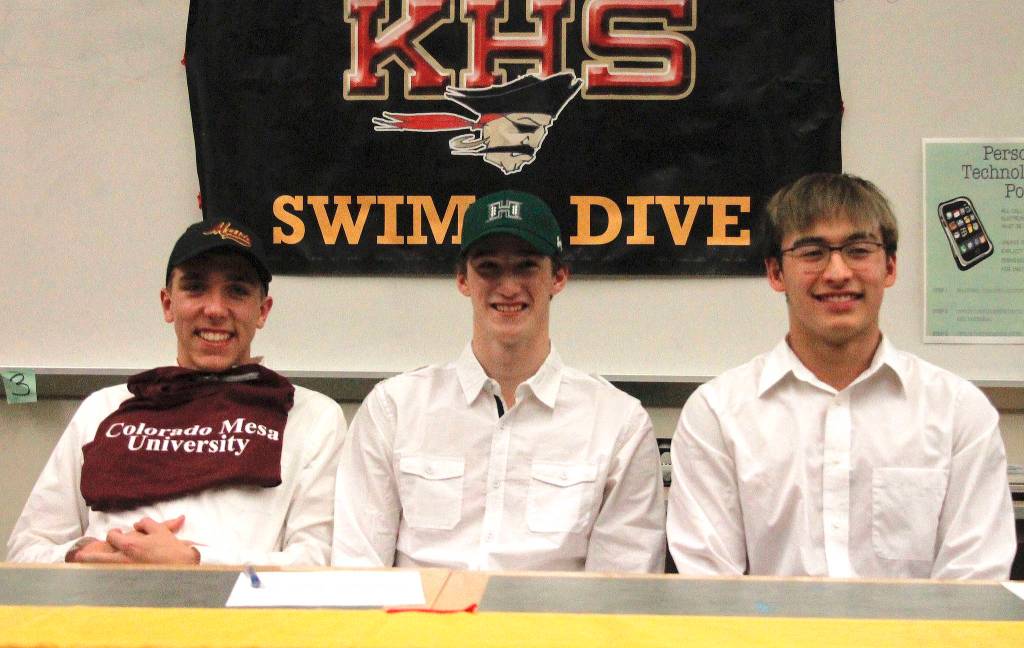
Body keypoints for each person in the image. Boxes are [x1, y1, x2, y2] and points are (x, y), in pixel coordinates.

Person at [667, 173, 1016, 579]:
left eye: (857, 249)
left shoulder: (958, 412)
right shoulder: (717, 414)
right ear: (776, 273)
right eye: (812, 252)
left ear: (889, 267)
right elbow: (709, 592)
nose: (837, 272)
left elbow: (973, 588)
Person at [332, 190, 665, 572]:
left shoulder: (617, 423)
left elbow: (618, 596)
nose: (508, 287)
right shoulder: (393, 409)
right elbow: (357, 572)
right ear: (462, 280)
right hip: (417, 629)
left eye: (526, 266)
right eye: (489, 267)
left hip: (554, 632)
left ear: (558, 277)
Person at [7, 219, 346, 565]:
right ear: (168, 304)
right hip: (104, 610)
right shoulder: (104, 408)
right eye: (196, 288)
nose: (214, 309)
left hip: (235, 617)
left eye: (237, 291)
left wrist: (194, 563)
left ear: (262, 311)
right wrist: (81, 554)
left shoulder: (311, 417)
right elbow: (25, 551)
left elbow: (317, 563)